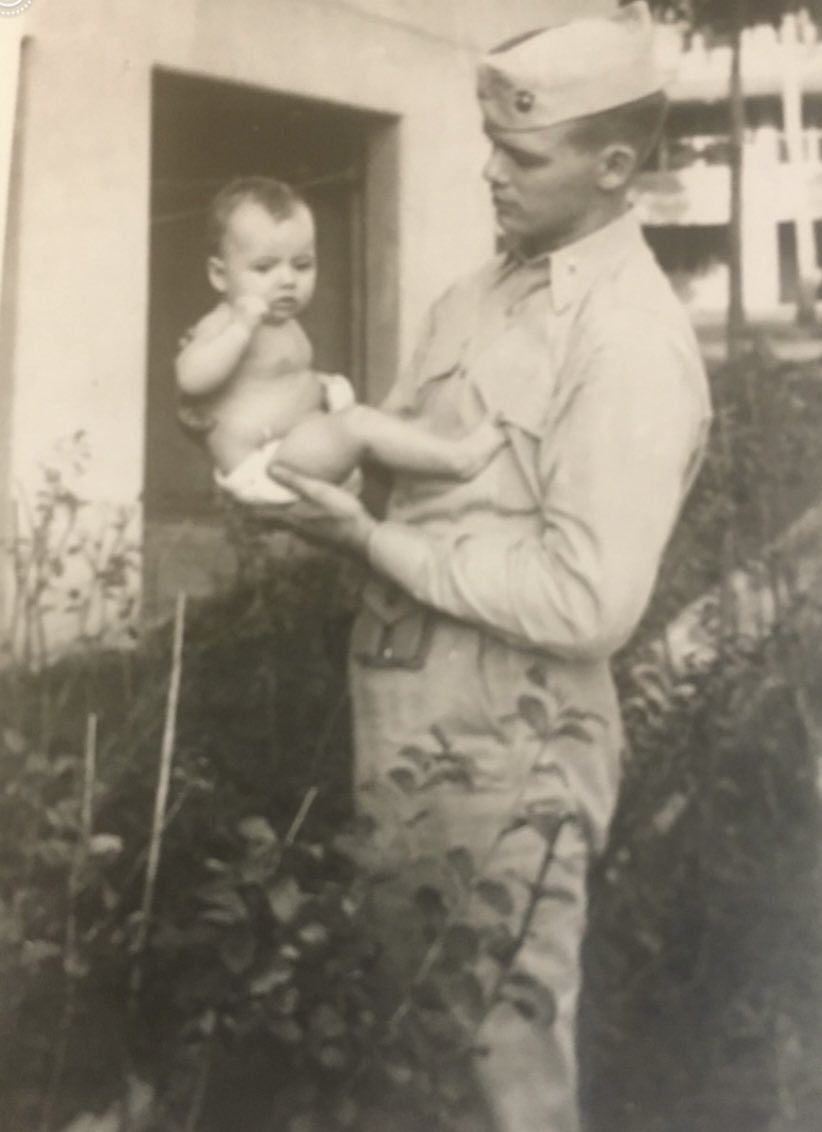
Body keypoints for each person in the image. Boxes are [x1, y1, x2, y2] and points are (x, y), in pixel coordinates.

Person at [259, 4, 712, 1129]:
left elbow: (589, 598)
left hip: (515, 741)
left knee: (497, 1073)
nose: (490, 173)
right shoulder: (476, 296)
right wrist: (263, 434)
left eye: (521, 152)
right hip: (407, 716)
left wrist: (371, 543)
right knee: (416, 1049)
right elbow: (403, 466)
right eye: (491, 145)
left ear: (613, 166)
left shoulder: (628, 337)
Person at [175, 177, 504, 505]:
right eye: (264, 268)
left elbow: (280, 381)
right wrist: (240, 328)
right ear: (220, 275)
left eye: (302, 265)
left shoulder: (284, 324)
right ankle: (459, 460)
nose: (287, 280)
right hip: (262, 465)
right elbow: (191, 378)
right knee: (359, 424)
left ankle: (439, 462)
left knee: (387, 436)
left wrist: (323, 386)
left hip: (295, 449)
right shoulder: (224, 323)